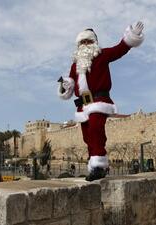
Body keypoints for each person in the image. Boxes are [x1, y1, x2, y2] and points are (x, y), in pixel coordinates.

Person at [58, 22, 145, 181]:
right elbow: (70, 84)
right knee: (87, 137)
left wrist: (132, 36)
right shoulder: (75, 65)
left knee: (96, 129)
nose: (85, 45)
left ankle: (99, 165)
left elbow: (120, 49)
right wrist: (65, 86)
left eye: (88, 41)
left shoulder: (102, 55)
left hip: (99, 101)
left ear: (94, 43)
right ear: (78, 45)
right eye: (82, 42)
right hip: (83, 106)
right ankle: (94, 166)